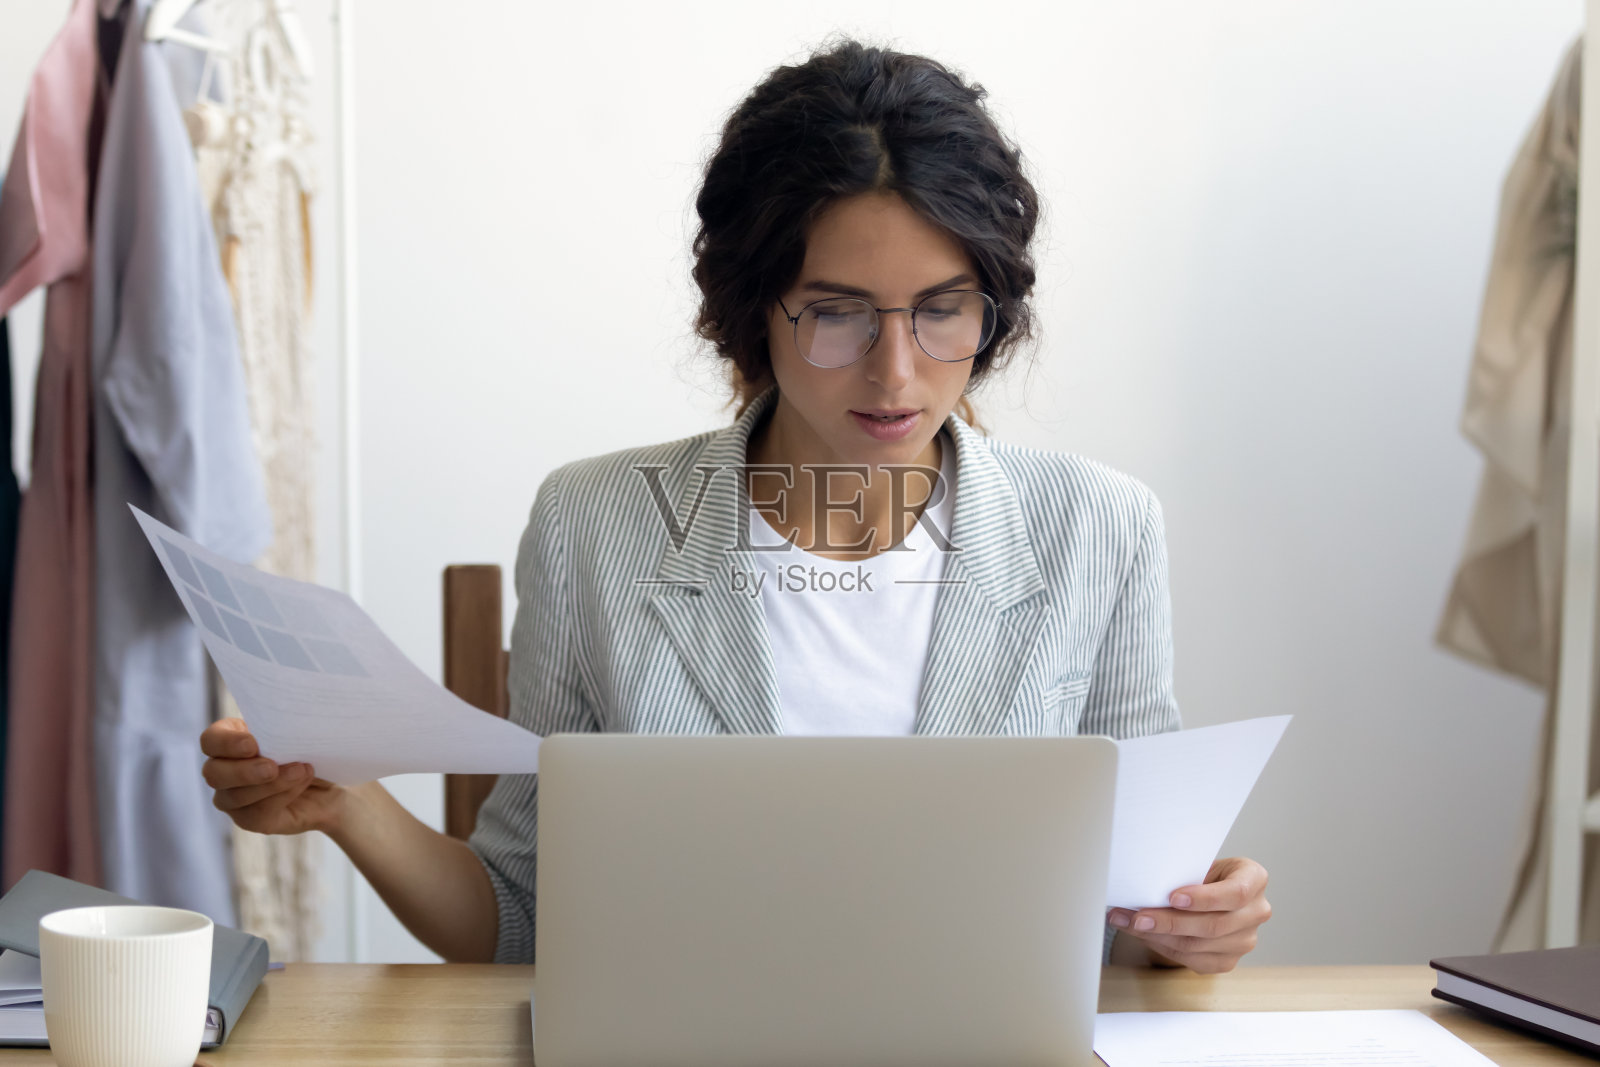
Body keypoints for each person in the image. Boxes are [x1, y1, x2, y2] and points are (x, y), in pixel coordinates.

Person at [199, 37, 1271, 974]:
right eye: (840, 315)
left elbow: (1131, 930)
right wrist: (347, 803)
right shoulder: (594, 527)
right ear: (754, 311)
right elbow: (519, 921)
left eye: (943, 311)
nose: (897, 372)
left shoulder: (1100, 530)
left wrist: (1191, 927)